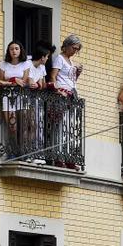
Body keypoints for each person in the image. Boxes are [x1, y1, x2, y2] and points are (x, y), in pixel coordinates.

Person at [48, 34, 84, 168]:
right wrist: (57, 91)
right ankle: (58, 156)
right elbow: (53, 76)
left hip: (72, 95)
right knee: (60, 126)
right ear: (67, 45)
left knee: (69, 127)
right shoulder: (60, 59)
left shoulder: (70, 62)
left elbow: (71, 80)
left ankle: (68, 156)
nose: (75, 51)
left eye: (77, 49)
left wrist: (78, 73)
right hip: (62, 95)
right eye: (74, 48)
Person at [0, 40, 31, 155]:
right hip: (8, 97)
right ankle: (13, 151)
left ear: (20, 50)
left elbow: (24, 82)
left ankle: (23, 151)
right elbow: (0, 81)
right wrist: (14, 80)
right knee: (12, 126)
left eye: (17, 48)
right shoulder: (3, 64)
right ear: (8, 51)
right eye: (11, 49)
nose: (14, 51)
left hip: (21, 96)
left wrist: (10, 81)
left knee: (23, 126)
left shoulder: (26, 64)